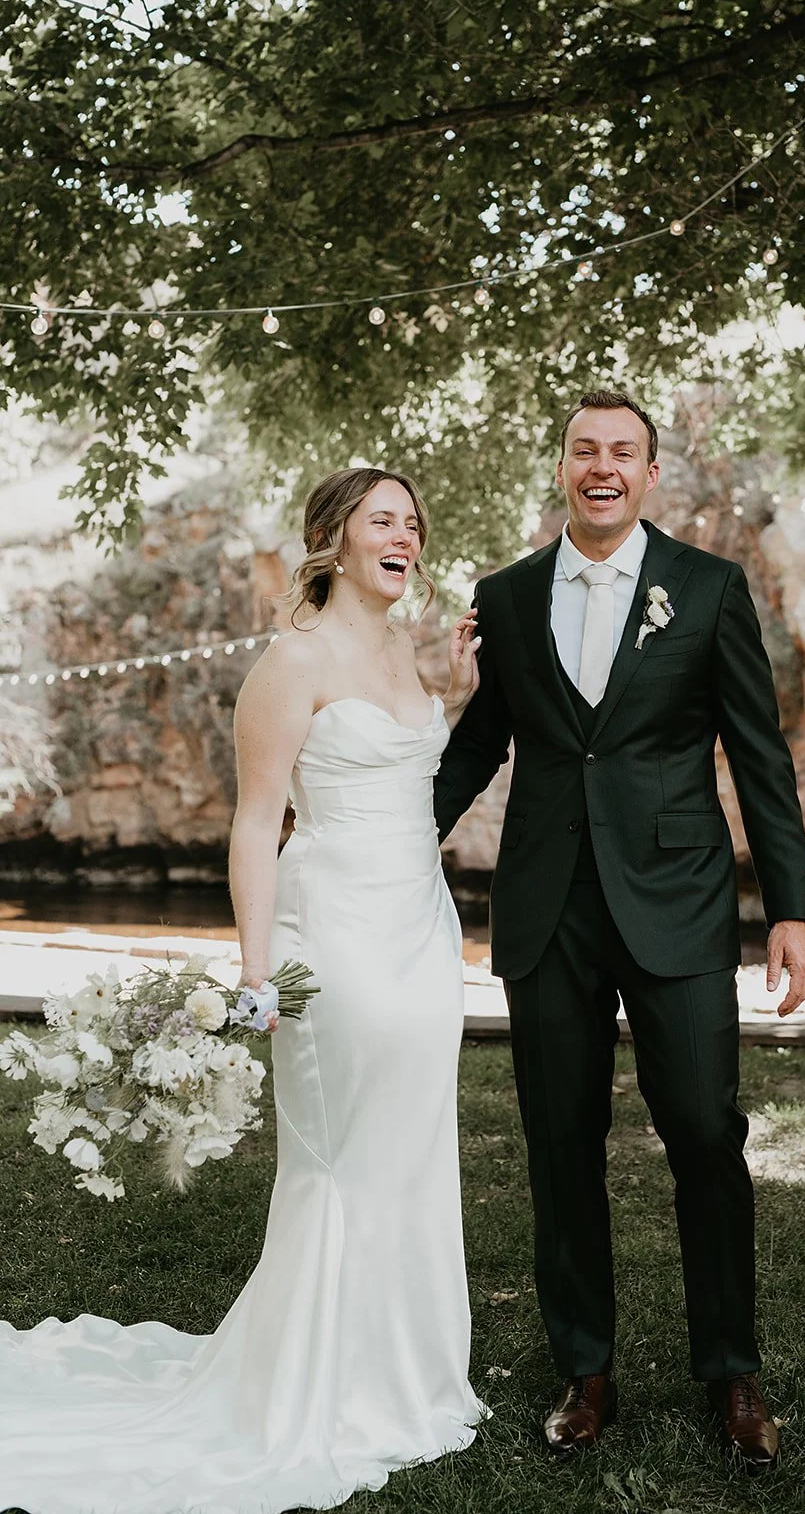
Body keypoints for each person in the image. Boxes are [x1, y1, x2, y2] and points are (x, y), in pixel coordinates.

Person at [0, 466, 485, 1514]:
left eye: (415, 521)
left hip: (421, 928)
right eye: (384, 520)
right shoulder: (288, 663)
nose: (407, 535)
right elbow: (257, 823)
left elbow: (412, 776)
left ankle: (406, 1372)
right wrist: (256, 968)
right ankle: (315, 1388)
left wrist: (458, 688)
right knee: (342, 1156)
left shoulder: (406, 649)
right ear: (334, 539)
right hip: (336, 935)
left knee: (410, 1147)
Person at [434, 389, 805, 1473]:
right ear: (562, 467)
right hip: (548, 904)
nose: (602, 467)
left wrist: (790, 906)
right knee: (562, 1147)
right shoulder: (505, 598)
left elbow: (760, 754)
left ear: (653, 473)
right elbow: (482, 744)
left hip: (681, 901)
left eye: (623, 453)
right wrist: (390, 835)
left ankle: (732, 1372)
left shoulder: (706, 587)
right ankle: (585, 1368)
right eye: (584, 450)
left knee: (705, 1130)